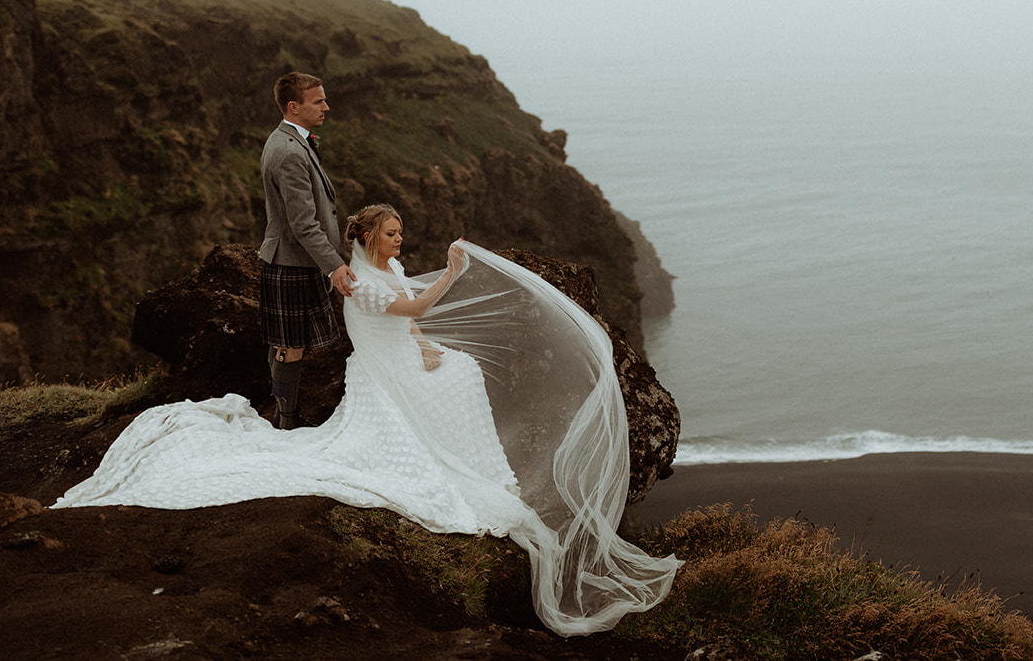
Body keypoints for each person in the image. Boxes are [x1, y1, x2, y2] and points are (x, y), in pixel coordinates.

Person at [54, 205, 680, 635]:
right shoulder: (359, 281)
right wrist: (453, 275)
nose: (400, 241)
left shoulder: (389, 270)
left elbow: (410, 324)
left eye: (402, 232)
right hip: (382, 374)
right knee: (455, 379)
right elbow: (412, 307)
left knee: (460, 368)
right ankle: (455, 465)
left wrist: (427, 347)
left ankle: (474, 462)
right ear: (369, 237)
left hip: (403, 357)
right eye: (392, 233)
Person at [259, 72, 355, 428]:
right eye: (318, 101)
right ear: (293, 107)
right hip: (291, 262)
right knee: (290, 347)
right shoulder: (288, 152)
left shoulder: (292, 141)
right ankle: (287, 420)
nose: (326, 107)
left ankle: (284, 412)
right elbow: (302, 224)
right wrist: (334, 265)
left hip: (294, 260)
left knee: (286, 344)